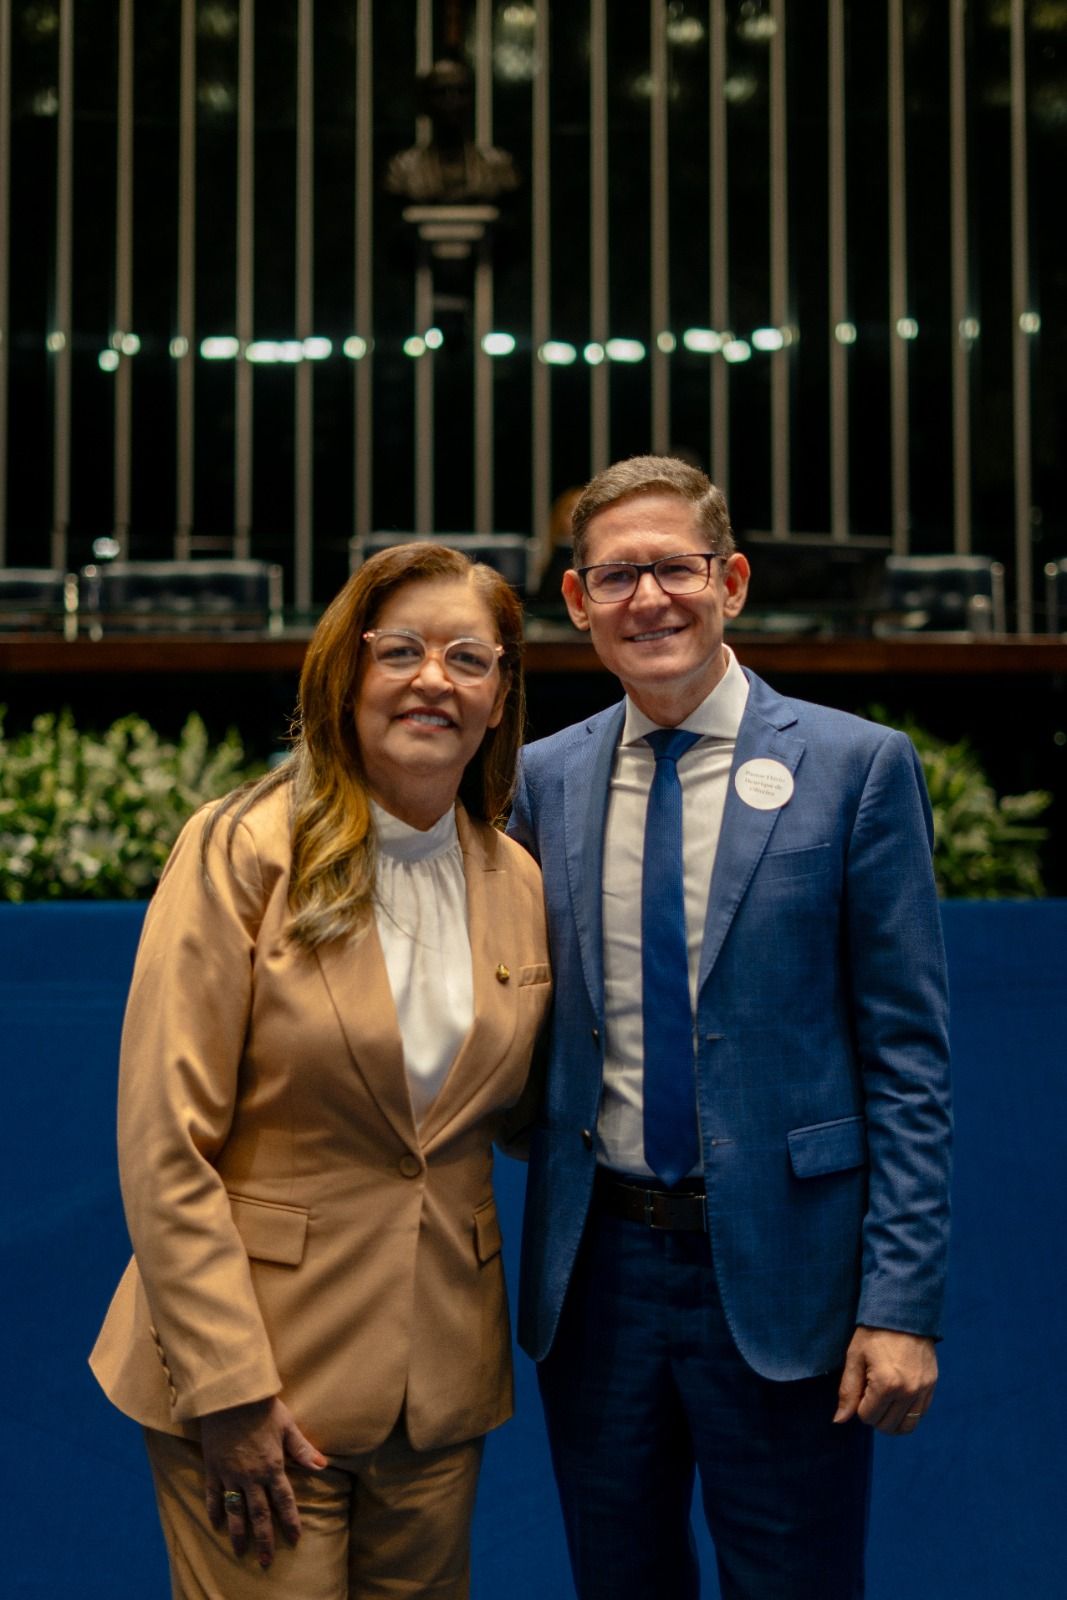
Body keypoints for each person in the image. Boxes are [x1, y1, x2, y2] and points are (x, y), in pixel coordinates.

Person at [506, 456, 951, 1600]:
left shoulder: (854, 768)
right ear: (575, 602)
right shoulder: (540, 782)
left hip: (784, 1277)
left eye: (673, 567)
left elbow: (907, 1063)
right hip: (594, 1274)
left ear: (731, 581)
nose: (646, 598)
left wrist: (896, 1305)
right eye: (615, 575)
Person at [90, 542, 551, 1599]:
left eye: (468, 659)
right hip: (260, 1384)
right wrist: (229, 1389)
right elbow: (167, 1144)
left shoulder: (514, 877)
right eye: (401, 651)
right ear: (345, 677)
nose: (434, 678)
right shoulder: (240, 850)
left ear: (498, 699)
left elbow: (505, 1114)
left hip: (437, 1388)